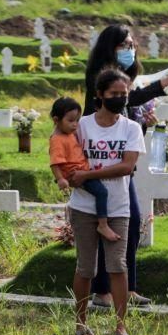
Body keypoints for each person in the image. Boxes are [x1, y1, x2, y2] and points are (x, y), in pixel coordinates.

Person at [84, 24, 168, 308]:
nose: (130, 50)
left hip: (123, 167)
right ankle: (102, 291)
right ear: (110, 47)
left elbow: (128, 122)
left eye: (132, 45)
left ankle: (128, 288)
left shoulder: (127, 79)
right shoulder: (101, 81)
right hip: (100, 166)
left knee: (130, 224)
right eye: (124, 45)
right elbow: (122, 102)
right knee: (104, 227)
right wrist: (163, 84)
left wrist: (144, 121)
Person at [66, 69, 145, 335]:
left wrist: (87, 175)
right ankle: (80, 323)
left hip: (118, 206)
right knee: (86, 267)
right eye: (114, 94)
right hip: (84, 207)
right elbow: (68, 157)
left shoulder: (131, 128)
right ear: (99, 95)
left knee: (118, 266)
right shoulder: (83, 126)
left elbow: (126, 166)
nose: (120, 99)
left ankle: (121, 326)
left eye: (124, 94)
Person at [49, 97, 119, 242]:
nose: (75, 125)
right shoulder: (57, 139)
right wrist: (61, 178)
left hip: (82, 169)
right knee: (102, 192)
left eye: (77, 120)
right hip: (75, 173)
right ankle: (103, 224)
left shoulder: (68, 134)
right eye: (70, 120)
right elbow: (55, 162)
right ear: (56, 120)